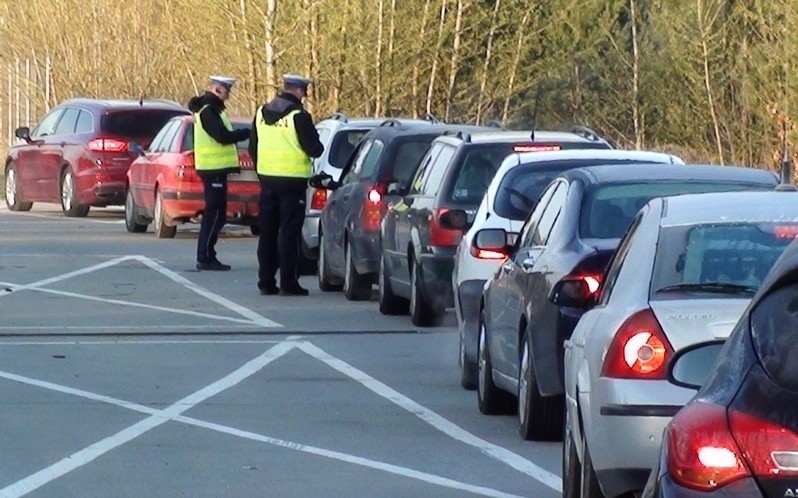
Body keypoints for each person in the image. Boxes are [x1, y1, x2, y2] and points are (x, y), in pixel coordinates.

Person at [249, 74, 324, 296]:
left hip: (267, 180)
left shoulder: (261, 113)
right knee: (289, 234)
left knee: (268, 233)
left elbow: (253, 147)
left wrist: (263, 169)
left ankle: (265, 281)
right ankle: (288, 282)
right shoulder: (299, 116)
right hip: (292, 182)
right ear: (300, 92)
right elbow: (314, 149)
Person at [187, 75, 250, 271]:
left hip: (215, 169)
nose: (228, 96)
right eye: (227, 91)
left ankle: (207, 254)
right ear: (217, 89)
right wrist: (246, 133)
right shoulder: (208, 111)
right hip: (212, 169)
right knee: (215, 214)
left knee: (217, 213)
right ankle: (205, 256)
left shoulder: (212, 109)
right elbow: (222, 136)